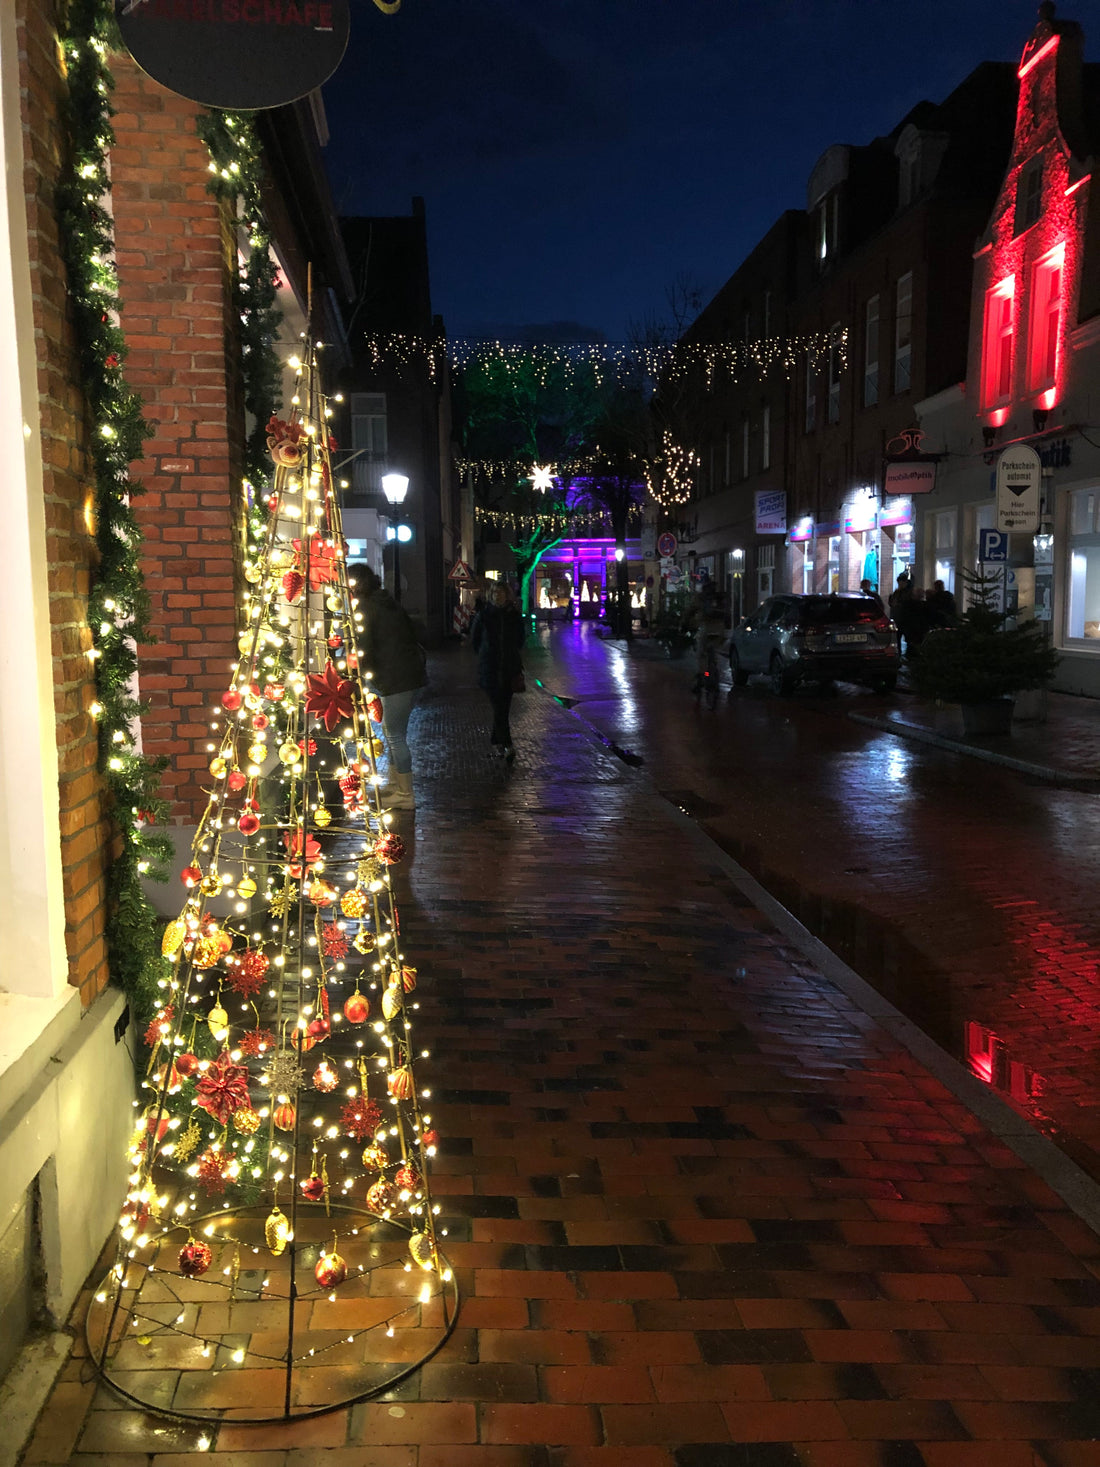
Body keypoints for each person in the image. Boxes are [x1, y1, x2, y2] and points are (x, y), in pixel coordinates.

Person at [355, 565, 426, 809]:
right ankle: (397, 786)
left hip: (395, 678)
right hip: (407, 674)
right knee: (391, 732)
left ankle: (406, 794)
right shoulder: (386, 602)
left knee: (395, 735)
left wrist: (358, 672)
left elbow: (364, 647)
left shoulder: (366, 606)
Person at [470, 581, 526, 760]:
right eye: (494, 593)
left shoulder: (514, 616)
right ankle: (507, 744)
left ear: (506, 595)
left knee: (503, 708)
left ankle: (497, 742)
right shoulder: (484, 615)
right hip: (490, 670)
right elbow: (475, 640)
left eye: (500, 593)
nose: (497, 596)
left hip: (510, 670)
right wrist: (486, 654)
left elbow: (520, 640)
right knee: (499, 707)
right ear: (490, 595)